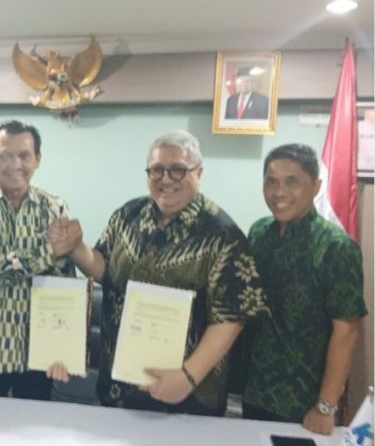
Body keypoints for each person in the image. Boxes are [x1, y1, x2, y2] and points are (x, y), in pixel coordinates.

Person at [49, 130, 270, 416]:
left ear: (199, 173)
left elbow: (232, 316)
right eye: (156, 170)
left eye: (178, 170)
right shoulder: (128, 214)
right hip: (120, 385)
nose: (166, 179)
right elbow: (105, 269)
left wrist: (188, 376)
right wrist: (76, 248)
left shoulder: (222, 235)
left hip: (185, 392)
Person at [243, 144, 367, 434]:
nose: (279, 192)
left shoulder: (336, 247)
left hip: (305, 404)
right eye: (271, 182)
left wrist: (325, 406)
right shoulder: (259, 233)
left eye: (292, 182)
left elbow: (347, 330)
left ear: (316, 187)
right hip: (254, 391)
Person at [0, 119, 76, 400]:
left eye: (24, 155)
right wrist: (49, 251)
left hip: (38, 354)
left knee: (34, 425)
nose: (15, 164)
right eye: (5, 155)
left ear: (38, 159)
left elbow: (64, 280)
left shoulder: (54, 207)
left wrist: (64, 348)